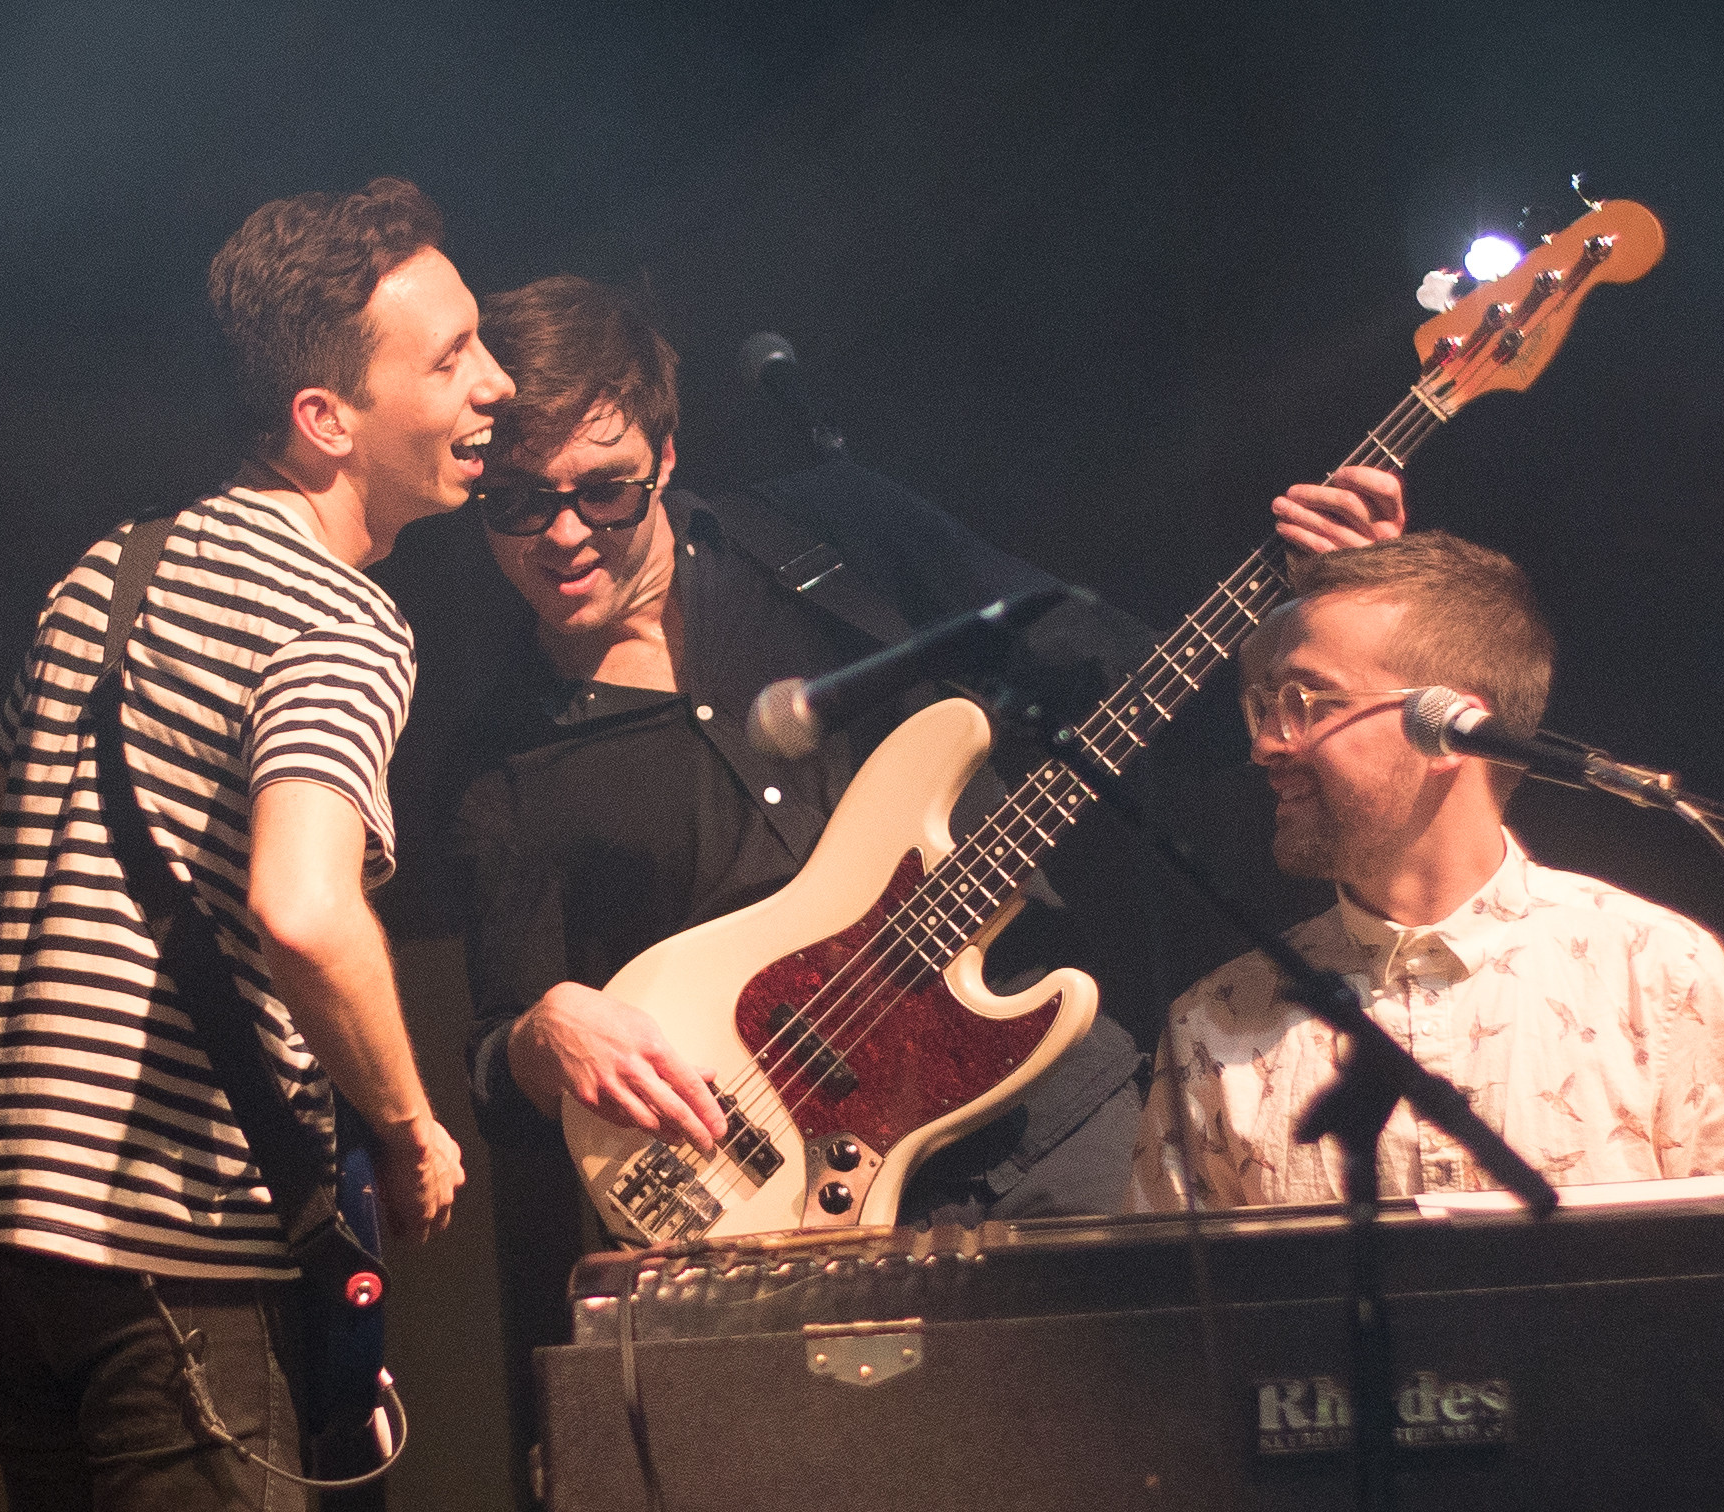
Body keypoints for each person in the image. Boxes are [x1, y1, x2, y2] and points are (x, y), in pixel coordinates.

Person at [368, 273, 1403, 1503]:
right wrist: (545, 1031)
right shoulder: (494, 754)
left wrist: (1315, 606)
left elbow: (1112, 673)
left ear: (667, 453)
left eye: (606, 488)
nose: (565, 534)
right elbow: (497, 1060)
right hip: (788, 1226)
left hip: (1051, 1132)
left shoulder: (830, 540)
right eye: (517, 504)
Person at [0, 177, 505, 1508]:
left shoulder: (107, 572)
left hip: (0, 1233)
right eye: (450, 358)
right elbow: (303, 911)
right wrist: (411, 1131)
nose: (497, 385)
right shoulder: (333, 620)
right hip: (167, 1235)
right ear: (326, 422)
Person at [1128, 530, 1724, 1211]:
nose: (1267, 744)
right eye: (1264, 708)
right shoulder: (1215, 1022)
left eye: (1311, 701)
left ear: (1449, 729)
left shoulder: (1656, 968)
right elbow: (1166, 1311)